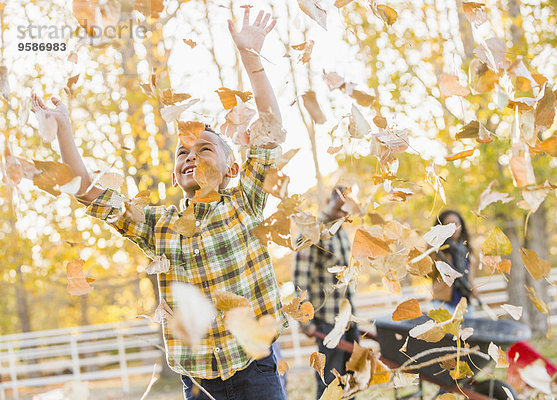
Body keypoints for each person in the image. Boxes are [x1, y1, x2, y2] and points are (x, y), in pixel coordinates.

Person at [31, 8, 287, 400]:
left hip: (255, 371)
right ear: (174, 176)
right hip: (200, 383)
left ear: (232, 167)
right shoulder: (158, 226)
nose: (192, 157)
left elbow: (269, 130)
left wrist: (251, 58)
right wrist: (64, 126)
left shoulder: (245, 202)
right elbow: (85, 189)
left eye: (205, 149)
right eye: (183, 152)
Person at [294, 187, 359, 399]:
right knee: (330, 384)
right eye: (340, 206)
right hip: (327, 320)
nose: (343, 213)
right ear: (329, 199)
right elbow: (301, 279)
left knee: (353, 380)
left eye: (347, 210)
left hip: (347, 317)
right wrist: (304, 320)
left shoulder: (341, 231)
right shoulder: (311, 230)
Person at [431, 210, 476, 313]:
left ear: (461, 226)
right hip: (443, 303)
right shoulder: (437, 250)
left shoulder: (466, 249)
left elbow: (469, 275)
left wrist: (473, 289)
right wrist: (432, 250)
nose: (453, 228)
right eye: (448, 225)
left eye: (456, 224)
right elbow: (428, 274)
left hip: (465, 303)